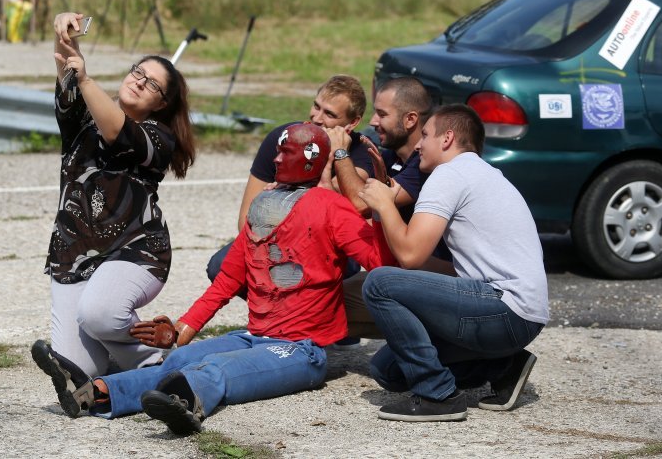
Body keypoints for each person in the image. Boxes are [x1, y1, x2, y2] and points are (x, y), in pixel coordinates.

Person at [31, 123, 395, 435]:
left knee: (216, 369)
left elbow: (377, 263)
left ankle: (185, 404)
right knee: (178, 360)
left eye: (285, 152)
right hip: (253, 337)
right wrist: (179, 332)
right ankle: (94, 393)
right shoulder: (262, 208)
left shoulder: (332, 208)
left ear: (309, 157)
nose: (276, 158)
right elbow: (224, 285)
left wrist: (380, 211)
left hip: (302, 349)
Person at [358, 104, 549, 422]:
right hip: (521, 315)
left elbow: (410, 255)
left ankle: (437, 395)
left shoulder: (450, 173)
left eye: (426, 135)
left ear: (447, 138)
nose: (418, 145)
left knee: (378, 283)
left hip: (505, 308)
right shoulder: (482, 173)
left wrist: (384, 204)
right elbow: (442, 269)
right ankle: (503, 366)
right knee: (389, 371)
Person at [39, 12, 196, 378]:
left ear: (161, 104)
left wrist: (86, 77)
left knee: (99, 315)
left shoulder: (158, 138)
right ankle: (147, 363)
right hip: (73, 253)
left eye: (153, 85)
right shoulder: (82, 118)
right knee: (78, 371)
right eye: (138, 72)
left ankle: (160, 359)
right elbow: (67, 71)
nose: (140, 82)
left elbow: (117, 131)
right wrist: (65, 33)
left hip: (135, 251)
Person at [205, 74, 373, 282]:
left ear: (353, 122)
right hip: (278, 239)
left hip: (330, 247)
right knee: (220, 266)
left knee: (301, 273)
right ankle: (271, 311)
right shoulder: (282, 137)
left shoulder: (360, 152)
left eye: (329, 113)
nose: (317, 118)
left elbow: (355, 202)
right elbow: (245, 220)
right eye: (316, 106)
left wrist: (336, 152)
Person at [326, 76, 438, 339]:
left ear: (410, 120)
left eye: (381, 114)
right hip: (398, 271)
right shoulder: (389, 154)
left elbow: (358, 204)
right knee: (321, 297)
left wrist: (340, 153)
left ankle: (444, 344)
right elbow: (350, 190)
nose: (373, 122)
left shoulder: (423, 166)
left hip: (430, 280)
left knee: (321, 304)